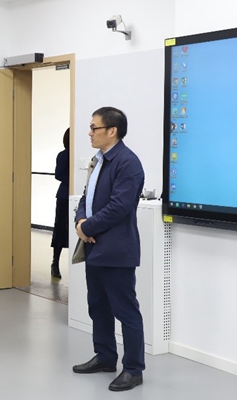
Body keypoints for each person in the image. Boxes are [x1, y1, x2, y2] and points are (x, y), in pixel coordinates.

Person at [72, 107, 145, 392]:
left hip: (116, 250)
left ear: (112, 131)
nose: (90, 133)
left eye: (94, 128)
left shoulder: (128, 163)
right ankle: (105, 357)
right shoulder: (100, 159)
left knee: (126, 311)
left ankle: (133, 369)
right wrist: (80, 221)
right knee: (98, 306)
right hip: (94, 247)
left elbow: (119, 207)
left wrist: (87, 227)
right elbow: (86, 196)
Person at [50, 127, 70, 278]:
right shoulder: (63, 155)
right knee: (61, 229)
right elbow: (59, 174)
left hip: (78, 196)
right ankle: (55, 263)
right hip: (64, 196)